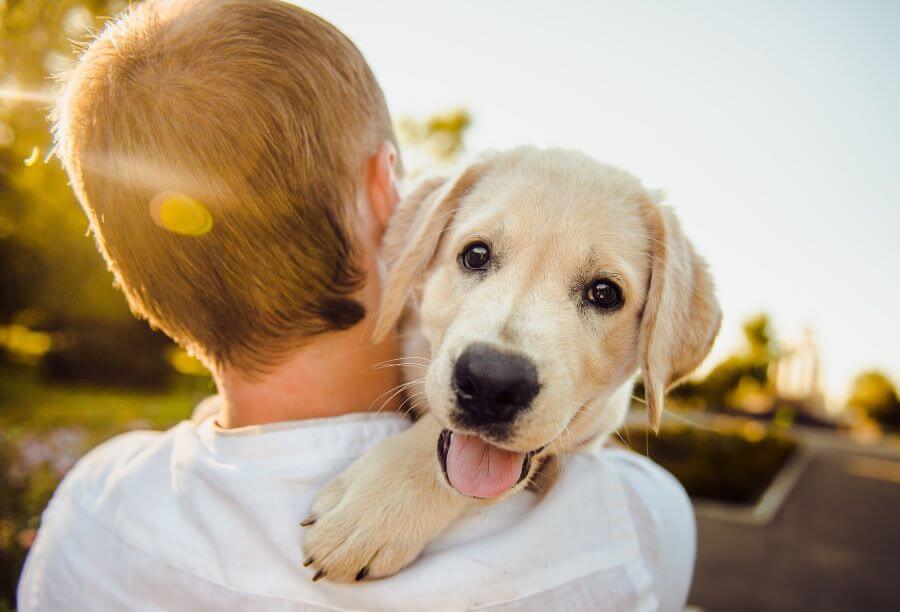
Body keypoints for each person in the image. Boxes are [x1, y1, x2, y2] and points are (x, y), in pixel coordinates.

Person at [18, 0, 695, 609]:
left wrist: (427, 466)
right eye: (478, 256)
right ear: (387, 195)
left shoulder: (89, 508)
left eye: (601, 294)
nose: (504, 345)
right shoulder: (628, 530)